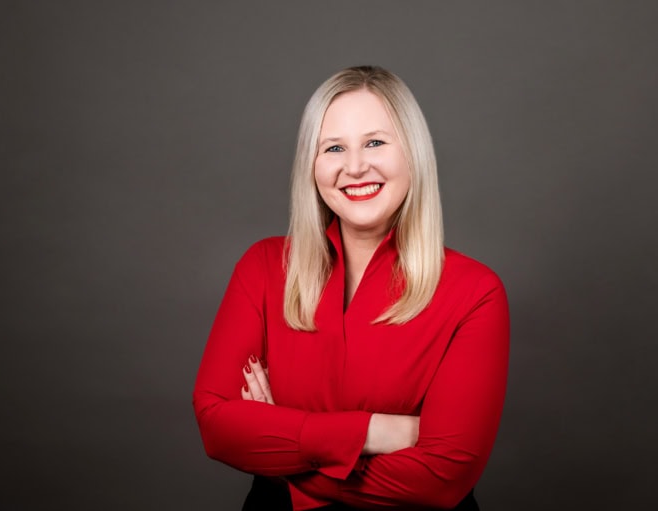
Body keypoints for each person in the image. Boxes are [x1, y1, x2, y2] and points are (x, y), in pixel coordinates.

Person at [193, 66, 509, 510]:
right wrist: (376, 432)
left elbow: (441, 480)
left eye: (375, 142)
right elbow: (216, 425)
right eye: (334, 147)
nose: (355, 166)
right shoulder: (263, 267)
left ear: (413, 154)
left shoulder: (475, 291)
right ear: (312, 164)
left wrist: (282, 449)